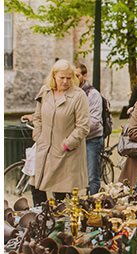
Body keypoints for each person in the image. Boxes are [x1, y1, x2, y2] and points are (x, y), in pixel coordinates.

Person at [29, 59, 89, 201]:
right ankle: (41, 219)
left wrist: (67, 144)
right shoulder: (45, 91)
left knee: (62, 197)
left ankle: (60, 221)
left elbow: (83, 126)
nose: (65, 81)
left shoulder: (79, 96)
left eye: (69, 78)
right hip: (45, 150)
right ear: (54, 76)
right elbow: (37, 116)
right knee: (36, 187)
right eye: (62, 77)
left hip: (67, 154)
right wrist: (38, 135)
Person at [77, 63, 105, 195]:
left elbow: (94, 121)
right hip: (76, 139)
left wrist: (76, 130)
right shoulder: (71, 93)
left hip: (91, 139)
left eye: (77, 76)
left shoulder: (93, 94)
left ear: (84, 75)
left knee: (92, 176)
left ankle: (94, 206)